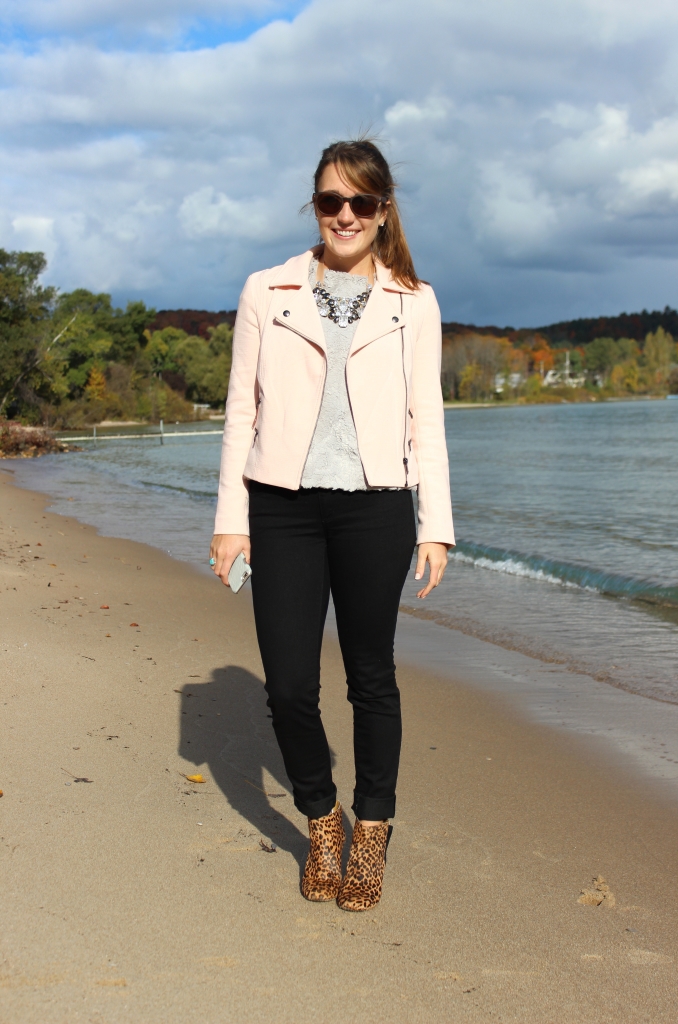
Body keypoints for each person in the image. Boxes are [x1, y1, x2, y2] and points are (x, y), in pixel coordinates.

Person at [210, 139, 454, 912]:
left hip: (375, 508)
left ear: (383, 212)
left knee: (370, 676)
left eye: (360, 203)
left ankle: (372, 828)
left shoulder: (414, 300)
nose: (343, 215)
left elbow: (427, 416)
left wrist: (435, 524)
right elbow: (240, 409)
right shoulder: (266, 289)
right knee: (287, 686)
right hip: (280, 508)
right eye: (329, 202)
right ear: (314, 207)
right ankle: (321, 818)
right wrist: (229, 520)